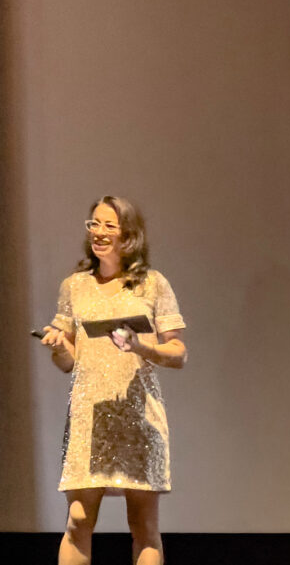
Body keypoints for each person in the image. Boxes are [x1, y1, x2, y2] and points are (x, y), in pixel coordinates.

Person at [40, 196, 187, 565]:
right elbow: (68, 362)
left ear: (129, 235)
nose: (99, 232)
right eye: (94, 224)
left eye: (109, 225)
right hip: (89, 416)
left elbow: (179, 353)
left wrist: (140, 346)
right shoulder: (74, 286)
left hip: (139, 416)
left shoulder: (152, 284)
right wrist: (58, 346)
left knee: (143, 526)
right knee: (77, 521)